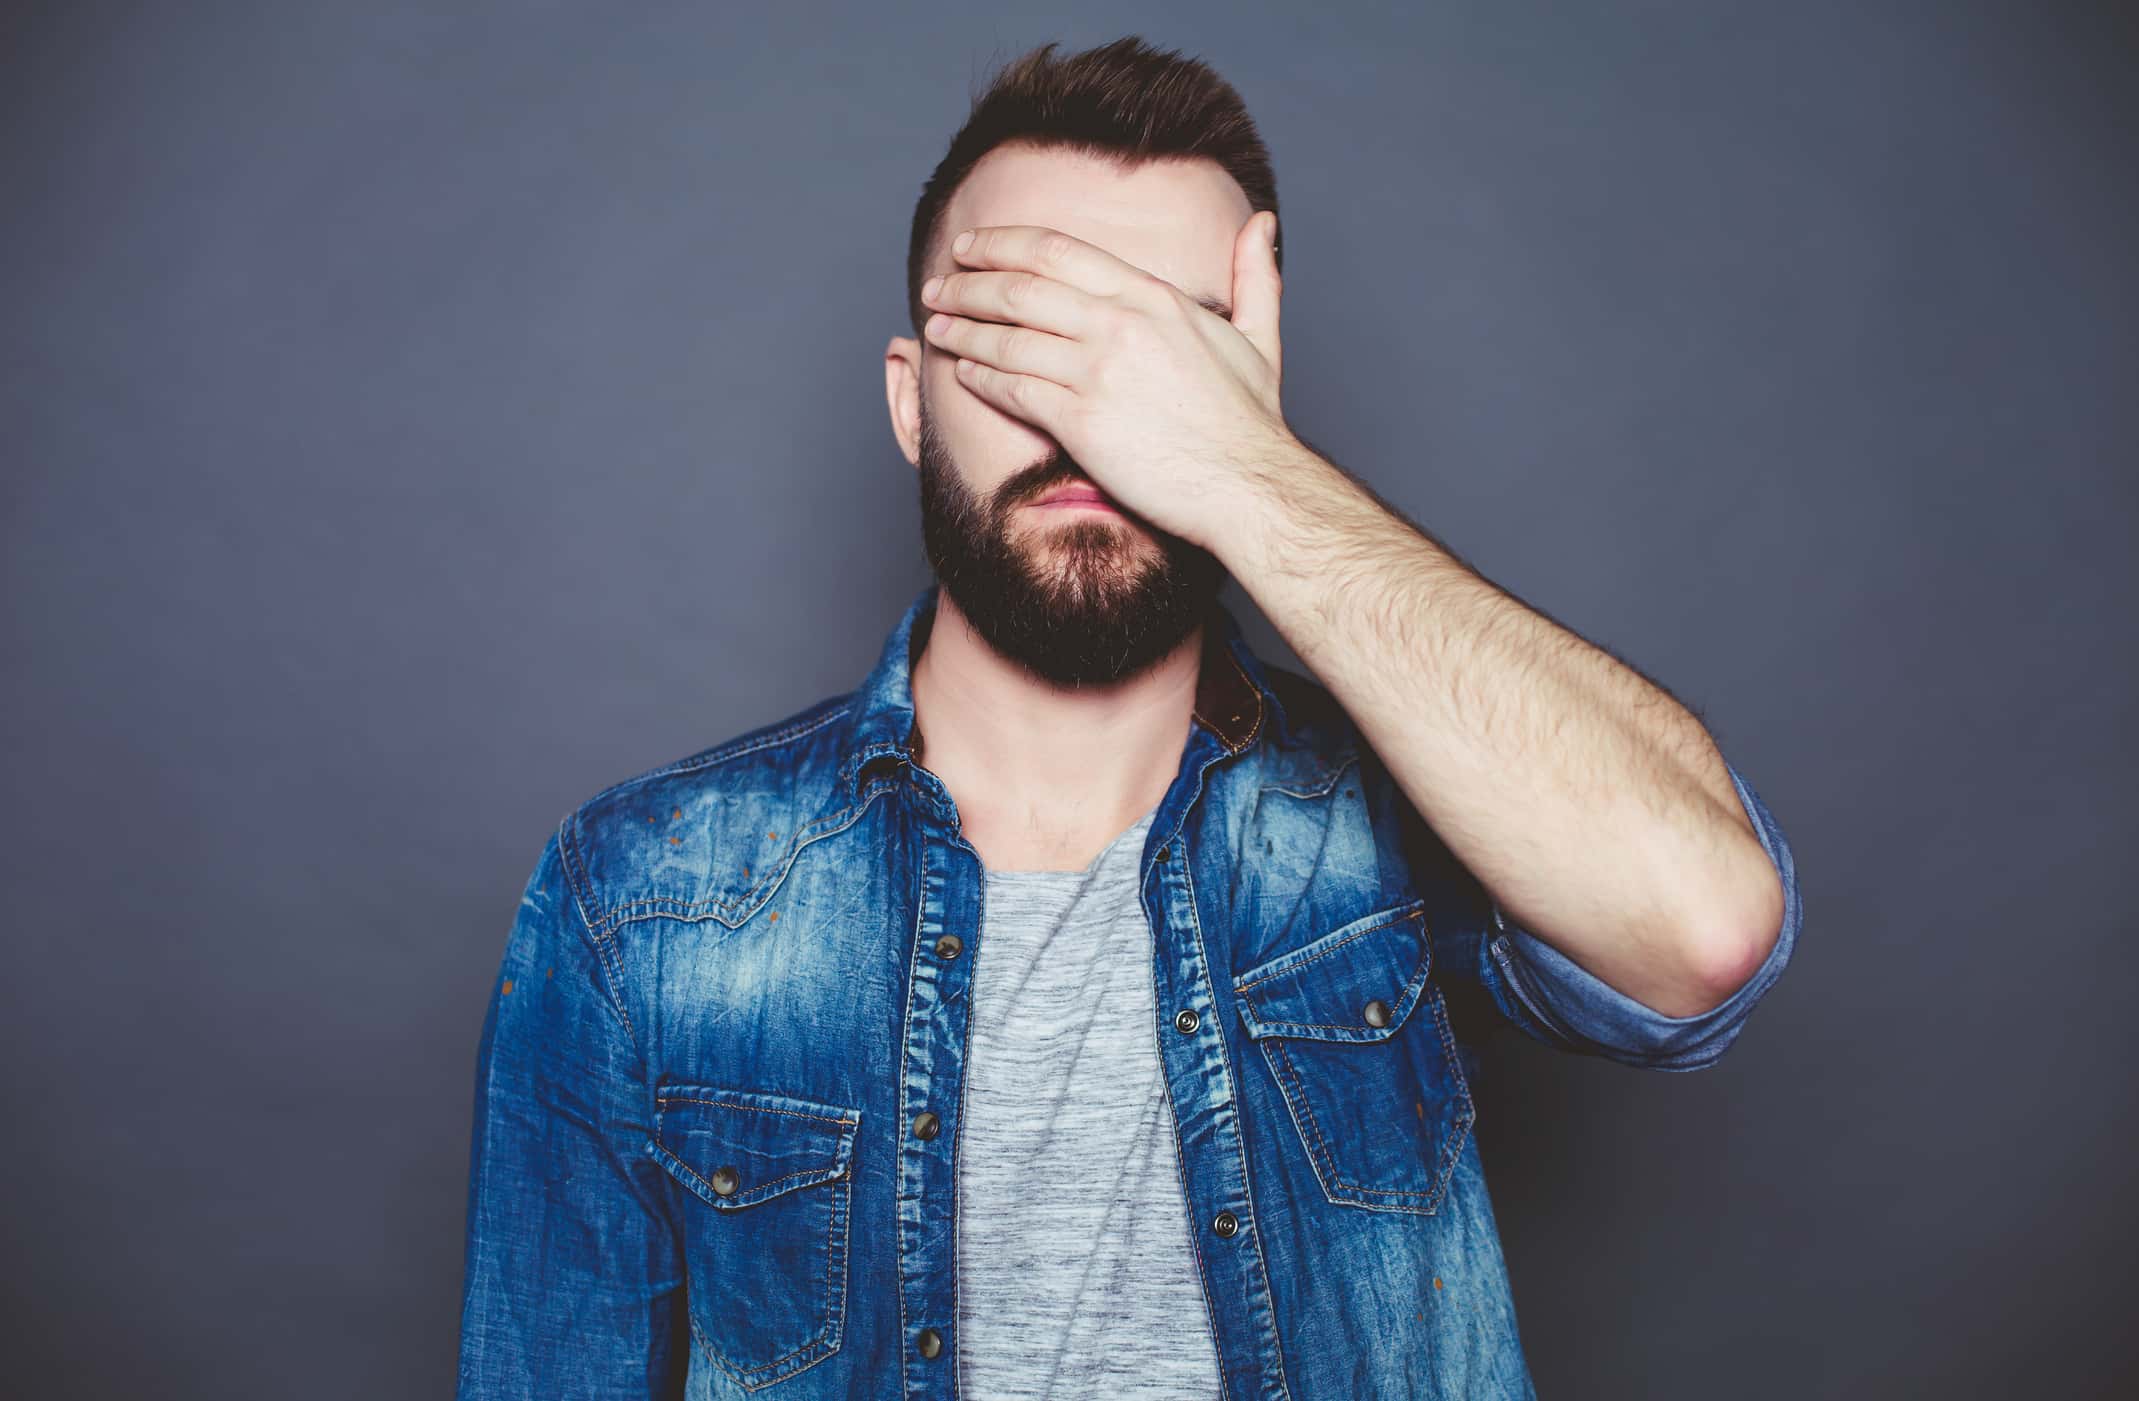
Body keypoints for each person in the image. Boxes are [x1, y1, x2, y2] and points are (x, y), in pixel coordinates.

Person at [456, 34, 1800, 1400]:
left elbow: (1704, 929)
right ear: (913, 404)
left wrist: (1248, 471)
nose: (1091, 415)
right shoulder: (636, 900)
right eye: (1021, 336)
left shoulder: (1395, 822)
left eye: (1163, 354)